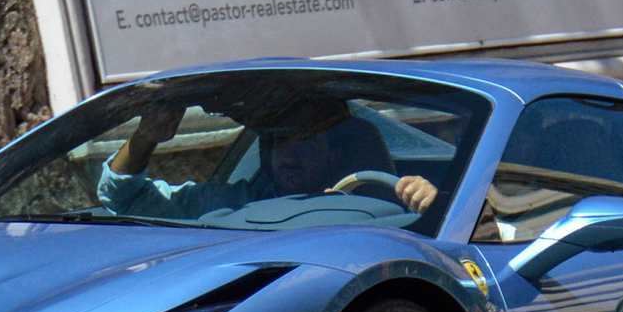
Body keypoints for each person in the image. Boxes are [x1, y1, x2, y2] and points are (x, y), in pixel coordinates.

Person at [97, 102, 438, 220]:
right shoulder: (233, 201)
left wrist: (431, 202)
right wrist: (145, 137)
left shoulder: (385, 211)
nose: (289, 154)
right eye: (279, 141)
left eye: (305, 142)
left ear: (335, 154)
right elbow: (124, 200)